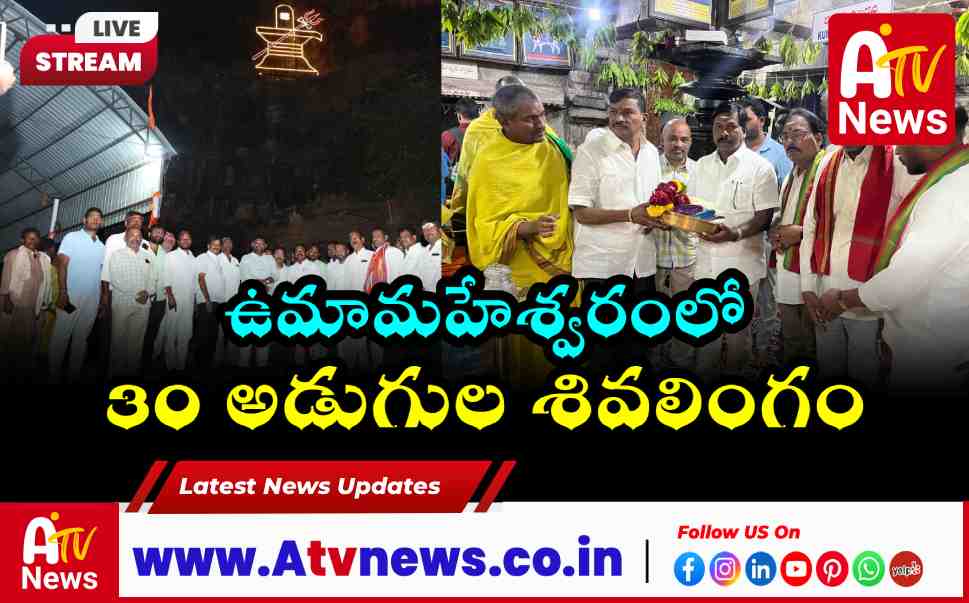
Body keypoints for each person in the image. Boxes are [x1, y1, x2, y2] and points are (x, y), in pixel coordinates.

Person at [816, 106, 968, 389]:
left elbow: (904, 277)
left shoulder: (952, 192)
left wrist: (843, 299)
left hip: (932, 353)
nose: (896, 148)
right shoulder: (953, 180)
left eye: (902, 138)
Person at [467, 84, 573, 384]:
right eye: (530, 119)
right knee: (526, 349)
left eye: (542, 115)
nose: (541, 124)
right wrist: (526, 227)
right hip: (518, 267)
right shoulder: (489, 161)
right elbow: (483, 224)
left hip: (561, 257)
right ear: (504, 121)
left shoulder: (553, 147)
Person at [800, 141, 918, 388]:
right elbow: (811, 226)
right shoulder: (827, 163)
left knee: (865, 373)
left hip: (868, 297)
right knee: (828, 370)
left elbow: (910, 228)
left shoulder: (897, 161)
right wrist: (808, 287)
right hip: (823, 291)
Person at [568, 87, 661, 369]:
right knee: (603, 351)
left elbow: (651, 203)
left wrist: (658, 220)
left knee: (639, 346)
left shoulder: (651, 153)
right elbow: (581, 213)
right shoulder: (591, 152)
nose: (619, 118)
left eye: (628, 112)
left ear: (644, 117)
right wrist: (631, 215)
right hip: (603, 267)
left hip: (642, 265)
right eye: (613, 112)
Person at [690, 102, 779, 381]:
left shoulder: (760, 168)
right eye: (719, 127)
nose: (724, 132)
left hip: (742, 266)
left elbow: (764, 217)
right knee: (706, 335)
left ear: (743, 129)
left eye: (731, 126)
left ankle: (735, 390)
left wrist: (736, 233)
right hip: (705, 265)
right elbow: (692, 207)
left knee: (738, 337)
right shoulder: (701, 166)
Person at [767, 108, 826, 366]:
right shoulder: (792, 174)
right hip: (788, 266)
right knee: (792, 338)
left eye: (798, 134)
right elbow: (785, 215)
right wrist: (776, 231)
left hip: (814, 271)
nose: (790, 141)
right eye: (785, 136)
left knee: (814, 342)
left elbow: (843, 222)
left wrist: (800, 233)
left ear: (819, 138)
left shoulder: (827, 170)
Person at [743, 98, 793, 372]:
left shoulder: (778, 153)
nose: (742, 123)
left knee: (767, 297)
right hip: (740, 238)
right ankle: (742, 349)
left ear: (762, 121)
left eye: (747, 118)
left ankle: (764, 352)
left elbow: (786, 196)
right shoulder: (736, 149)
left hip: (767, 238)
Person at [654, 116, 698, 369]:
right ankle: (653, 369)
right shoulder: (649, 168)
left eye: (684, 139)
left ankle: (681, 370)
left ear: (690, 142)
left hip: (686, 258)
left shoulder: (699, 171)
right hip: (653, 258)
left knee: (685, 316)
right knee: (653, 318)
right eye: (672, 138)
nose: (678, 144)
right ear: (662, 140)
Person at [49, 207, 105, 382]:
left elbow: (101, 274)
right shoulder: (72, 237)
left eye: (99, 218)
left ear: (101, 222)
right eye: (92, 217)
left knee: (82, 340)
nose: (96, 220)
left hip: (92, 300)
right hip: (71, 296)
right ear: (84, 220)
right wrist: (63, 292)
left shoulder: (102, 246)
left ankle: (74, 375)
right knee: (61, 337)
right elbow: (62, 265)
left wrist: (100, 300)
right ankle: (52, 375)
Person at [106, 226, 155, 378]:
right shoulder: (117, 255)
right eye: (132, 235)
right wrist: (136, 293)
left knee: (137, 341)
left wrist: (148, 292)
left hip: (143, 305)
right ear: (126, 238)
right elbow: (115, 278)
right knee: (118, 340)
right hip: (123, 303)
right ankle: (116, 374)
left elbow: (153, 277)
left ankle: (131, 374)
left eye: (139, 236)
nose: (136, 238)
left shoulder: (148, 255)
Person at [0, 228, 47, 375]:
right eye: (29, 238)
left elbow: (43, 282)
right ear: (22, 240)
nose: (33, 241)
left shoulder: (42, 258)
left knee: (26, 339)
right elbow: (6, 278)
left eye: (36, 238)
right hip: (15, 302)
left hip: (31, 305)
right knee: (9, 337)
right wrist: (7, 299)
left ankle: (20, 369)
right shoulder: (13, 255)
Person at [239, 237, 276, 368]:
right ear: (252, 245)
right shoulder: (246, 258)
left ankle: (262, 364)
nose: (259, 245)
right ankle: (244, 364)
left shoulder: (270, 258)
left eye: (262, 243)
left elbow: (274, 275)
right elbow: (244, 276)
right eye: (256, 243)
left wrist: (267, 282)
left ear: (265, 245)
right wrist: (260, 283)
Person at [163, 230, 197, 372]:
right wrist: (170, 296)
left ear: (191, 241)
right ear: (178, 241)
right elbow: (166, 277)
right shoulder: (171, 256)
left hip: (189, 301)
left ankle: (181, 365)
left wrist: (195, 302)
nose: (185, 241)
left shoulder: (193, 258)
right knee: (171, 333)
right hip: (174, 299)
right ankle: (170, 366)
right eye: (183, 239)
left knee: (185, 334)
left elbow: (195, 282)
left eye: (188, 239)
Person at [195, 235, 226, 369]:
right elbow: (201, 279)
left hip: (218, 302)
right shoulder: (203, 257)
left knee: (213, 335)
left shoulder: (218, 259)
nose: (216, 247)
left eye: (218, 245)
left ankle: (208, 364)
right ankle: (200, 365)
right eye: (214, 244)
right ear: (208, 246)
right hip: (207, 301)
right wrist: (207, 299)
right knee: (203, 334)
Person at [141, 223, 168, 370]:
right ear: (149, 233)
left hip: (160, 299)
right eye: (156, 232)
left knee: (153, 331)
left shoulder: (164, 253)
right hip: (143, 297)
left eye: (161, 233)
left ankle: (146, 363)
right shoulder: (141, 247)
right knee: (139, 331)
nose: (158, 234)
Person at [215, 237, 242, 367]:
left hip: (234, 302)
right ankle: (217, 360)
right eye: (225, 243)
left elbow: (240, 281)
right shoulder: (217, 259)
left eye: (230, 243)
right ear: (221, 245)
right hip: (221, 301)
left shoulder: (236, 260)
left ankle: (232, 360)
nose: (228, 245)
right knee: (220, 333)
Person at [365, 227, 404, 291]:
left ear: (385, 237)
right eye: (373, 237)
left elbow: (400, 273)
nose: (375, 239)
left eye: (378, 236)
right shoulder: (374, 255)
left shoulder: (393, 251)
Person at [399, 226, 434, 290]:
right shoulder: (407, 253)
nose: (403, 239)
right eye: (401, 237)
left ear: (414, 237)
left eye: (406, 236)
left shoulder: (421, 251)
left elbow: (429, 275)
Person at [422, 222, 443, 290]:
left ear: (440, 231)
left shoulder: (444, 246)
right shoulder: (424, 250)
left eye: (431, 228)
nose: (428, 232)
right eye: (425, 230)